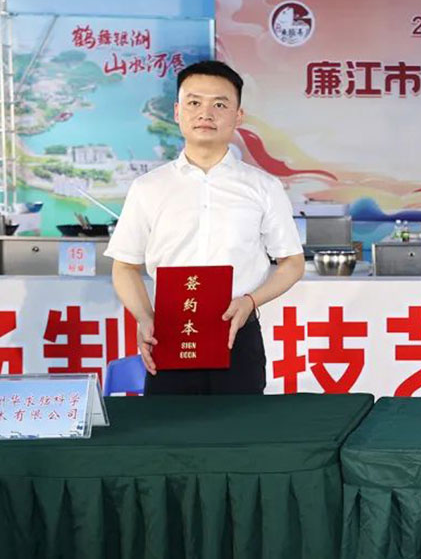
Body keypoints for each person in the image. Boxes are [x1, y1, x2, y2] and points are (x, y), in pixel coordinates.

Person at [105, 60, 305, 395]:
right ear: (177, 111)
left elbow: (292, 263)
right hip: (169, 334)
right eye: (194, 103)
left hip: (237, 333)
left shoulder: (263, 187)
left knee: (240, 427)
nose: (205, 114)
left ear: (238, 115)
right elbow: (124, 266)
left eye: (220, 105)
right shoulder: (148, 188)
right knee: (169, 427)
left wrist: (250, 301)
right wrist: (144, 317)